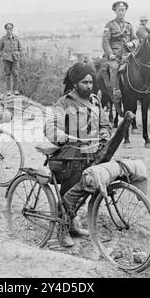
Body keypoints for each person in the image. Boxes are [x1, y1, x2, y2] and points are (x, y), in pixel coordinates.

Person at [44, 62, 112, 247]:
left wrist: (105, 133)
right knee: (69, 193)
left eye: (91, 82)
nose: (89, 86)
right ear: (75, 83)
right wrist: (64, 137)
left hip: (91, 155)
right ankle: (62, 229)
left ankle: (72, 224)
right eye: (84, 83)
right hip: (71, 157)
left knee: (85, 191)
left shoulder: (95, 101)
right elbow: (50, 127)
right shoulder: (64, 103)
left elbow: (105, 124)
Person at [102, 1, 139, 102]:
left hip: (128, 53)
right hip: (115, 54)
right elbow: (105, 42)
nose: (121, 12)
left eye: (123, 10)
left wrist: (132, 43)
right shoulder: (109, 25)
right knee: (114, 68)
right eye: (119, 10)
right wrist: (110, 54)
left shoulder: (129, 25)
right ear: (115, 11)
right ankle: (116, 90)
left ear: (125, 11)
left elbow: (136, 39)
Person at [0, 22, 22, 95]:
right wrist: (2, 56)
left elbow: (20, 48)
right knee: (7, 74)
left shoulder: (16, 38)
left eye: (10, 29)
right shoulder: (3, 39)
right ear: (6, 30)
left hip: (15, 59)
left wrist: (18, 54)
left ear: (12, 29)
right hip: (6, 59)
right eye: (7, 29)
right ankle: (8, 90)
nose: (9, 30)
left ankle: (15, 90)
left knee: (16, 74)